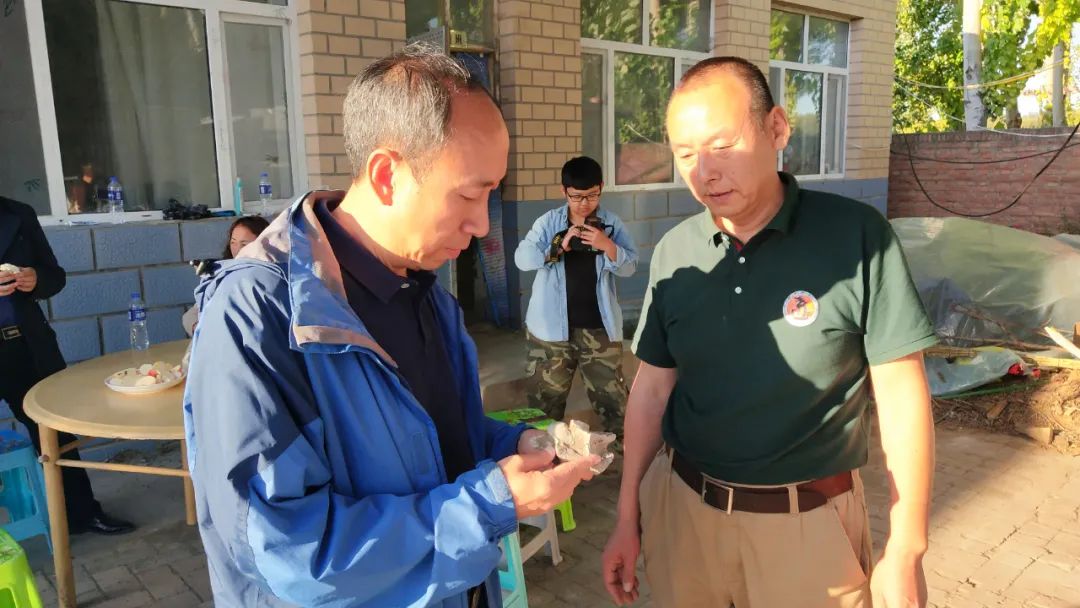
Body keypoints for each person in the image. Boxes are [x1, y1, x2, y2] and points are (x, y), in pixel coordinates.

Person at [184, 46, 599, 608]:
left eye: (492, 193)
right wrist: (490, 503)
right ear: (387, 176)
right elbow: (289, 554)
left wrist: (514, 445)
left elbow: (437, 441)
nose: (482, 224)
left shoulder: (425, 292)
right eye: (468, 193)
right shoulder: (260, 315)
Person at [601, 57, 938, 608]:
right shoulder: (675, 253)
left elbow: (901, 393)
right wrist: (627, 515)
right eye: (685, 154)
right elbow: (653, 390)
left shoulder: (856, 239)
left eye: (723, 145)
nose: (705, 171)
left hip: (805, 532)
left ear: (776, 128)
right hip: (684, 518)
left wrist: (906, 548)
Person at [0, 196, 135, 535]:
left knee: (54, 430)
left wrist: (36, 279)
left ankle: (81, 513)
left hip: (24, 345)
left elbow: (54, 276)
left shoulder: (18, 213)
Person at [514, 156, 637, 434]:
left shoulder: (611, 223)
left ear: (601, 188)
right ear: (564, 191)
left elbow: (630, 267)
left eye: (592, 195)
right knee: (543, 409)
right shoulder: (548, 222)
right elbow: (522, 258)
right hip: (550, 333)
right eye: (577, 196)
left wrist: (607, 245)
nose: (584, 203)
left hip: (599, 330)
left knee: (615, 405)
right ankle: (545, 459)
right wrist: (557, 248)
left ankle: (627, 458)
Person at [182, 216, 269, 336]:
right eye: (233, 242)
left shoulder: (270, 277)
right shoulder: (224, 273)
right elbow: (192, 314)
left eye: (244, 244)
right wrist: (200, 329)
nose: (237, 249)